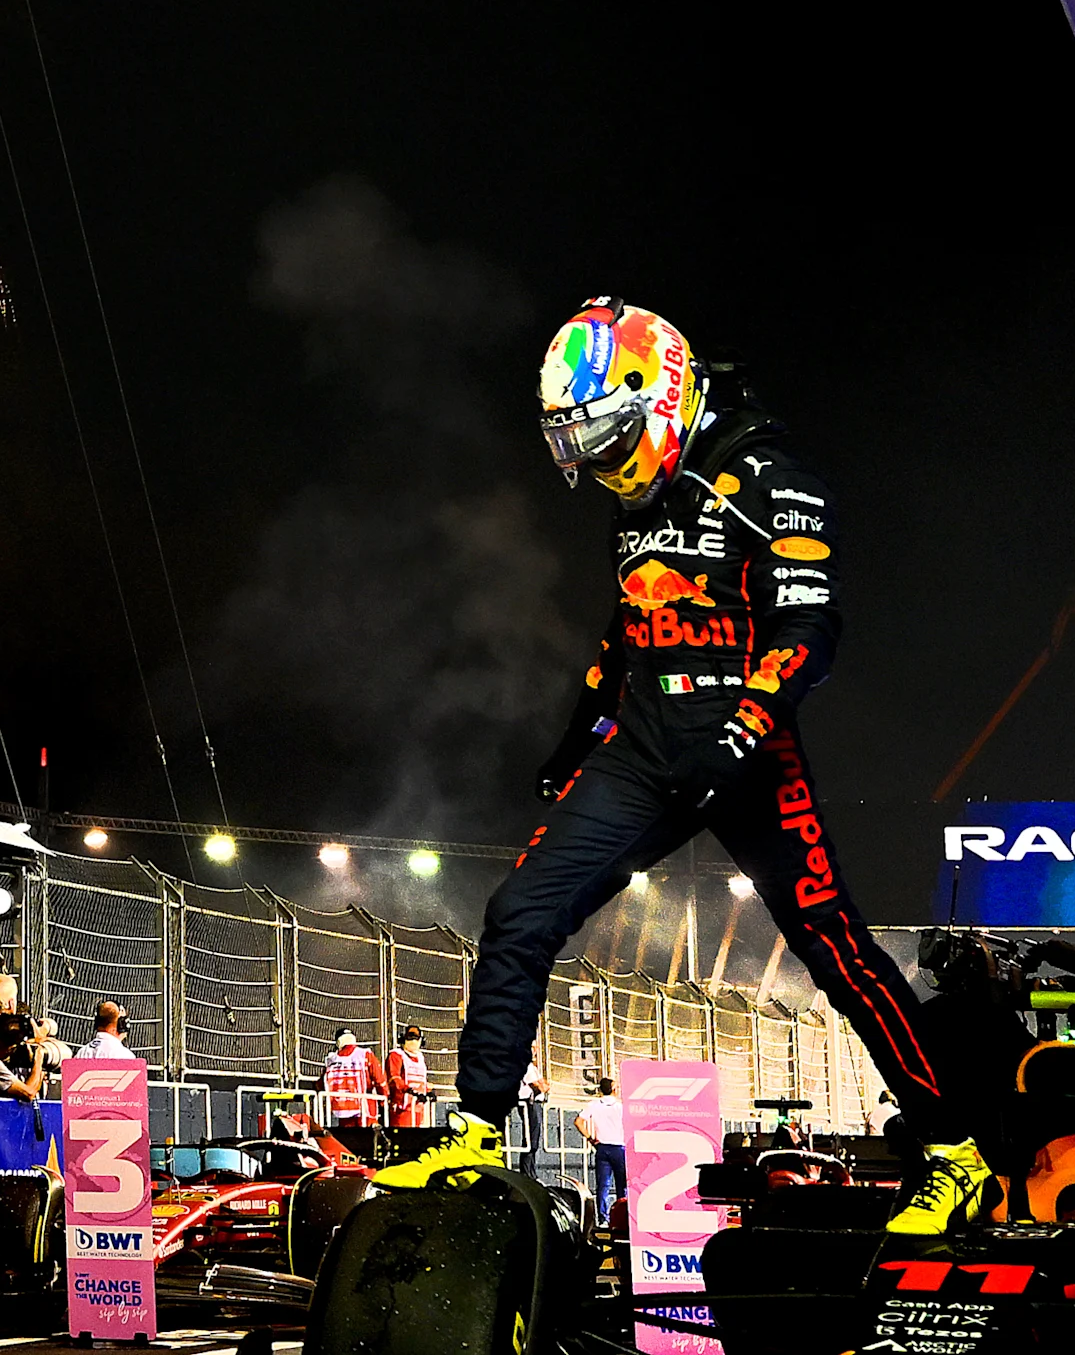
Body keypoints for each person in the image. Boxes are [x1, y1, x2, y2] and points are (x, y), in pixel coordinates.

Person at [380, 300, 980, 1236]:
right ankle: (476, 1130)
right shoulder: (640, 501)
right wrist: (575, 736)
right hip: (645, 752)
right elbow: (628, 633)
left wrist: (743, 732)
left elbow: (812, 626)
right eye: (583, 444)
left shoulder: (766, 470)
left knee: (837, 948)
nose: (601, 465)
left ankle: (956, 1152)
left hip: (752, 753)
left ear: (657, 396)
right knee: (519, 911)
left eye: (610, 437)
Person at [576, 1077, 629, 1230]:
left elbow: (578, 1121)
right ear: (614, 1089)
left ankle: (603, 1218)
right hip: (619, 1147)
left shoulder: (593, 1105)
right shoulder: (620, 1107)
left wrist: (590, 1139)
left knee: (603, 1185)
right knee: (622, 1185)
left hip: (602, 1147)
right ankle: (621, 1218)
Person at [323, 1029, 385, 1127]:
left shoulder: (331, 1060)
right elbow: (380, 1080)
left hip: (342, 1112)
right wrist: (384, 1101)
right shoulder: (365, 1054)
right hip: (366, 1109)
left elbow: (322, 1084)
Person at [386, 1025, 437, 1128]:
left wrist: (428, 1091)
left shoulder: (420, 1057)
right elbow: (394, 1078)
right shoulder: (396, 1055)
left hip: (417, 1107)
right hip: (401, 1108)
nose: (413, 1041)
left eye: (416, 1038)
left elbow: (421, 1080)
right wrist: (410, 1091)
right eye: (410, 1037)